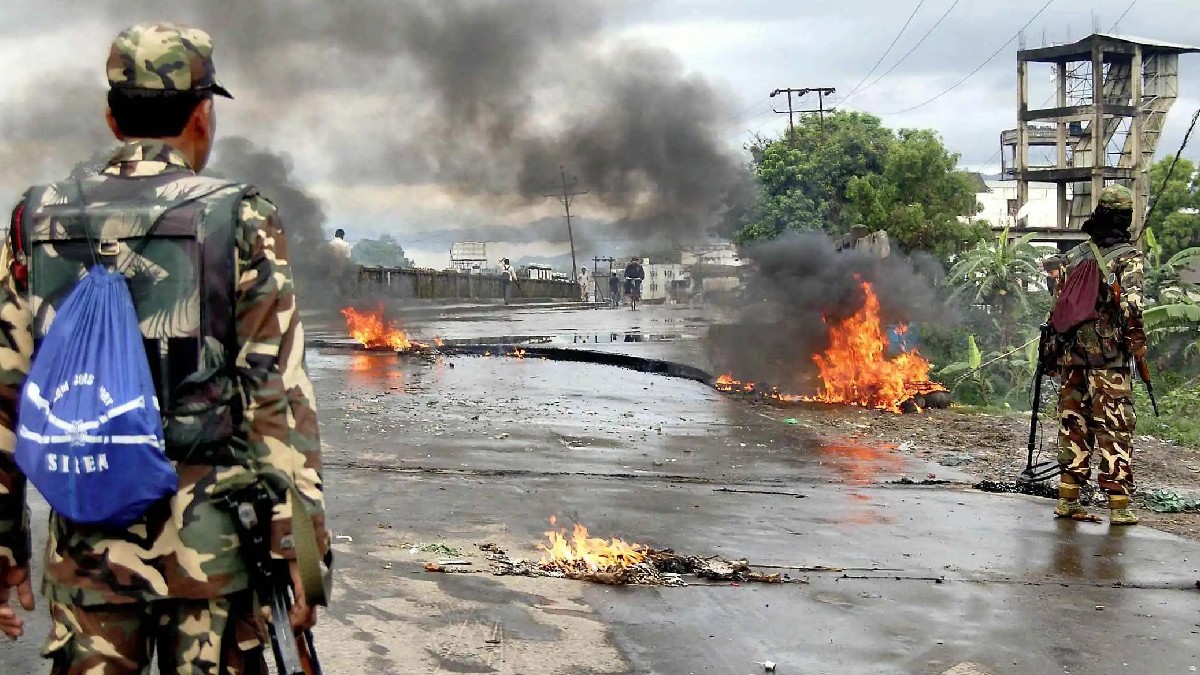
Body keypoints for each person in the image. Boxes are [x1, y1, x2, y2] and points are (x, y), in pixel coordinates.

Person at [0, 22, 329, 672]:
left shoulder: (35, 217)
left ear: (111, 116)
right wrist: (301, 551)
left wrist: (4, 544)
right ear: (202, 114)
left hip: (89, 546)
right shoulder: (241, 218)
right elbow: (277, 396)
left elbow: (7, 388)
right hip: (213, 557)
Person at [1049, 184, 1145, 525]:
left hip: (1072, 358)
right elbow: (1132, 308)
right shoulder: (1128, 257)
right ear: (1125, 218)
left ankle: (1068, 500)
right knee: (1114, 428)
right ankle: (1119, 506)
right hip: (1108, 362)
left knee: (1072, 425)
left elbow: (1057, 308)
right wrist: (1136, 344)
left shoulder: (1074, 257)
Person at [329, 228, 353, 298]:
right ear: (342, 236)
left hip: (330, 269)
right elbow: (348, 257)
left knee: (332, 286)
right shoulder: (345, 244)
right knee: (342, 287)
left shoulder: (330, 244)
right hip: (342, 269)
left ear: (335, 235)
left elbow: (326, 256)